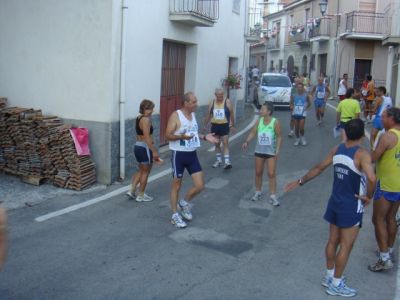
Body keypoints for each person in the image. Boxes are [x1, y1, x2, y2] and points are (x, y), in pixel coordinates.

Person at [285, 119, 376, 297]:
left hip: (335, 201)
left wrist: (300, 181)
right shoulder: (362, 154)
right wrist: (369, 196)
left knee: (332, 241)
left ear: (347, 133)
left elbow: (319, 168)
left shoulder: (337, 149)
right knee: (346, 246)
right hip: (351, 204)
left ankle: (329, 276)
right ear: (362, 135)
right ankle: (336, 284)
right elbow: (372, 179)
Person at [165, 92, 219, 228]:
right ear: (186, 103)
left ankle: (183, 203)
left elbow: (193, 134)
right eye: (194, 102)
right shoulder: (176, 115)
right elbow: (168, 135)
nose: (196, 104)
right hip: (179, 154)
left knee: (200, 186)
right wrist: (182, 137)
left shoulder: (193, 115)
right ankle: (174, 215)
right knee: (176, 185)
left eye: (196, 101)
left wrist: (205, 137)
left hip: (192, 154)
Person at [369, 107, 400, 272]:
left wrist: (373, 138)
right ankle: (389, 249)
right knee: (391, 218)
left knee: (378, 219)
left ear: (392, 119)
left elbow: (374, 157)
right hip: (398, 183)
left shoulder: (388, 136)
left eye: (383, 117)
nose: (381, 119)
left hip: (386, 183)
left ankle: (384, 258)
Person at [242, 102, 282, 206]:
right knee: (258, 172)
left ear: (268, 112)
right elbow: (253, 132)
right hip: (259, 151)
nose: (261, 111)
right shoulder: (259, 121)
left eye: (263, 109)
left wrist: (277, 150)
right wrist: (247, 141)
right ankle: (258, 192)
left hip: (270, 152)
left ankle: (273, 196)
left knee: (271, 173)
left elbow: (279, 136)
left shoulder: (275, 122)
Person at [126, 99, 160, 202]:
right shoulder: (146, 120)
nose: (152, 111)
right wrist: (154, 151)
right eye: (151, 109)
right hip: (145, 147)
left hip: (137, 146)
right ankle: (141, 195)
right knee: (146, 172)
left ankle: (131, 190)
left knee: (141, 170)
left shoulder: (139, 118)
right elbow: (147, 137)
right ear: (146, 109)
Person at [204, 88, 235, 169]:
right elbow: (208, 114)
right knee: (217, 144)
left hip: (224, 125)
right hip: (215, 125)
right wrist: (205, 125)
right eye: (218, 96)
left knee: (225, 143)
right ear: (215, 95)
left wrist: (232, 125)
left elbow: (231, 113)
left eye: (221, 96)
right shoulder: (212, 102)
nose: (220, 97)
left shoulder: (227, 101)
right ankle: (219, 160)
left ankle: (227, 162)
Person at [290, 81, 312, 146]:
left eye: (301, 87)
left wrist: (306, 107)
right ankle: (297, 138)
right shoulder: (294, 95)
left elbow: (309, 103)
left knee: (301, 128)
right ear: (297, 88)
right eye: (298, 87)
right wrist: (292, 107)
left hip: (302, 114)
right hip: (295, 113)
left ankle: (302, 138)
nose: (299, 88)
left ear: (303, 88)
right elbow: (291, 103)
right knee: (296, 128)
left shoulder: (306, 96)